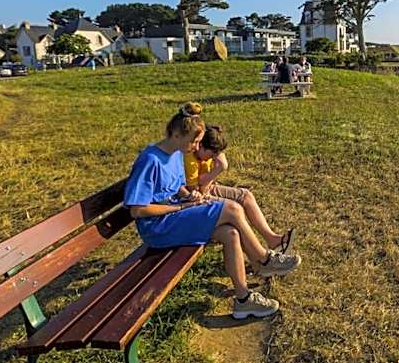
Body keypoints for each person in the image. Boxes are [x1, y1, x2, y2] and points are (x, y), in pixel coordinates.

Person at [124, 102, 301, 320]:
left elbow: (175, 186)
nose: (196, 146)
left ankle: (243, 299)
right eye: (194, 141)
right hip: (158, 228)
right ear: (177, 134)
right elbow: (137, 209)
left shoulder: (176, 153)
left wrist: (189, 195)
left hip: (175, 216)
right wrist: (180, 206)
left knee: (230, 233)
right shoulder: (150, 160)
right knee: (233, 209)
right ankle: (264, 260)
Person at [184, 124, 296, 254]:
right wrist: (219, 169)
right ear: (201, 146)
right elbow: (199, 190)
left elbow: (206, 181)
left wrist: (215, 170)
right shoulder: (190, 158)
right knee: (235, 210)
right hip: (197, 199)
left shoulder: (204, 155)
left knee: (246, 196)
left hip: (209, 187)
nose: (213, 157)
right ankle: (260, 257)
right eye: (212, 153)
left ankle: (272, 239)